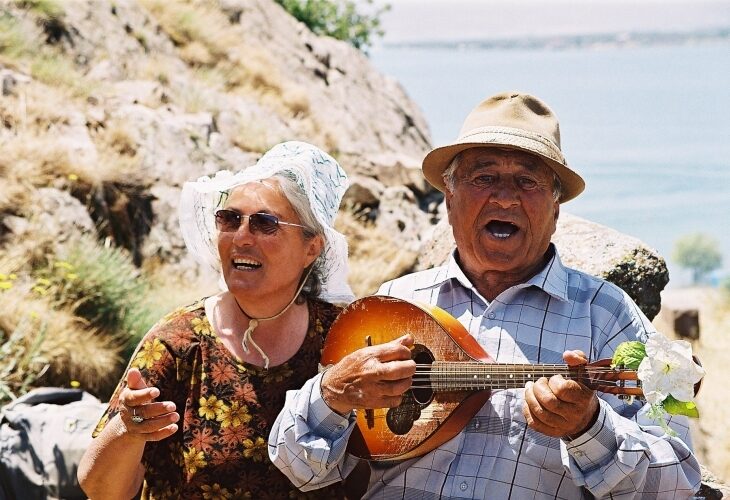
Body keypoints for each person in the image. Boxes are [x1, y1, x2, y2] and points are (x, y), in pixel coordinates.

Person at [269, 92, 702, 498]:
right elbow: (299, 467)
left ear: (555, 210)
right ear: (449, 199)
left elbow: (677, 485)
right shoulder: (396, 303)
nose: (505, 198)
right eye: (484, 177)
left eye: (527, 182)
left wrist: (591, 429)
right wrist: (334, 393)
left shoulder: (606, 315)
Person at [77, 141, 355, 499]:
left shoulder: (344, 335)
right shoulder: (179, 342)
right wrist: (129, 429)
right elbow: (100, 489)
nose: (240, 237)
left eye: (264, 223)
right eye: (229, 219)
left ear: (311, 248)